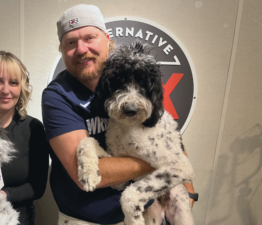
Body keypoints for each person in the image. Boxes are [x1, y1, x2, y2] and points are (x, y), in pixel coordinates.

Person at [41, 4, 197, 225]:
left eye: (89, 38)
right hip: (87, 219)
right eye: (71, 43)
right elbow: (86, 174)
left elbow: (166, 132)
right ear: (62, 50)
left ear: (107, 39)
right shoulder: (58, 96)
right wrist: (165, 163)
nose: (81, 49)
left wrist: (188, 192)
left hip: (148, 211)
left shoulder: (133, 73)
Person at [0, 51, 50, 225]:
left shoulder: (33, 128)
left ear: (21, 88)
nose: (6, 90)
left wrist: (3, 195)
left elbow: (37, 188)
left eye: (13, 83)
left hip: (18, 219)